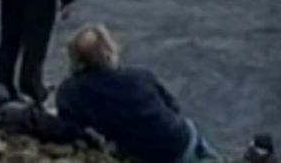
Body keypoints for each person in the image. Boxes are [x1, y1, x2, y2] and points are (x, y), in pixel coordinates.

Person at [56, 24, 221, 163]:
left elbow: (73, 126)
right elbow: (173, 106)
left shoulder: (70, 92)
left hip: (142, 153)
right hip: (179, 139)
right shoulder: (139, 76)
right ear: (109, 51)